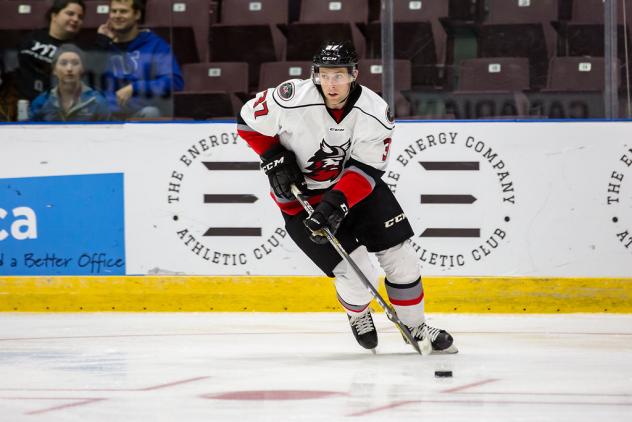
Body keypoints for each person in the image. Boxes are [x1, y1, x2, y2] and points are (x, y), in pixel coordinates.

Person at [237, 40, 457, 353]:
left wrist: (338, 200)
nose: (331, 83)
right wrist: (272, 155)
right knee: (358, 276)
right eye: (324, 75)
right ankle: (359, 315)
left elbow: (367, 168)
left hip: (357, 191)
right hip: (302, 199)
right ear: (315, 75)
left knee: (402, 260)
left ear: (353, 74)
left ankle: (417, 326)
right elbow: (247, 120)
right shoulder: (291, 97)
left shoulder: (375, 111)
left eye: (338, 75)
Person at [96, 0, 184, 118]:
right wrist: (101, 44)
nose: (117, 16)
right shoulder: (105, 46)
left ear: (137, 14)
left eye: (123, 11)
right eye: (113, 11)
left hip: (140, 113)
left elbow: (174, 82)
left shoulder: (156, 45)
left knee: (151, 112)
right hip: (107, 115)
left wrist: (135, 87)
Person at [15, 0, 86, 102]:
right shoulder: (31, 38)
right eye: (70, 14)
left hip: (54, 108)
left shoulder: (78, 51)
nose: (75, 19)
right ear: (54, 15)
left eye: (80, 17)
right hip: (23, 104)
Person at [29, 44, 111, 122]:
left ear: (82, 69)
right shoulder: (42, 102)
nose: (69, 69)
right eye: (63, 63)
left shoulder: (97, 102)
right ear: (54, 70)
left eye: (75, 63)